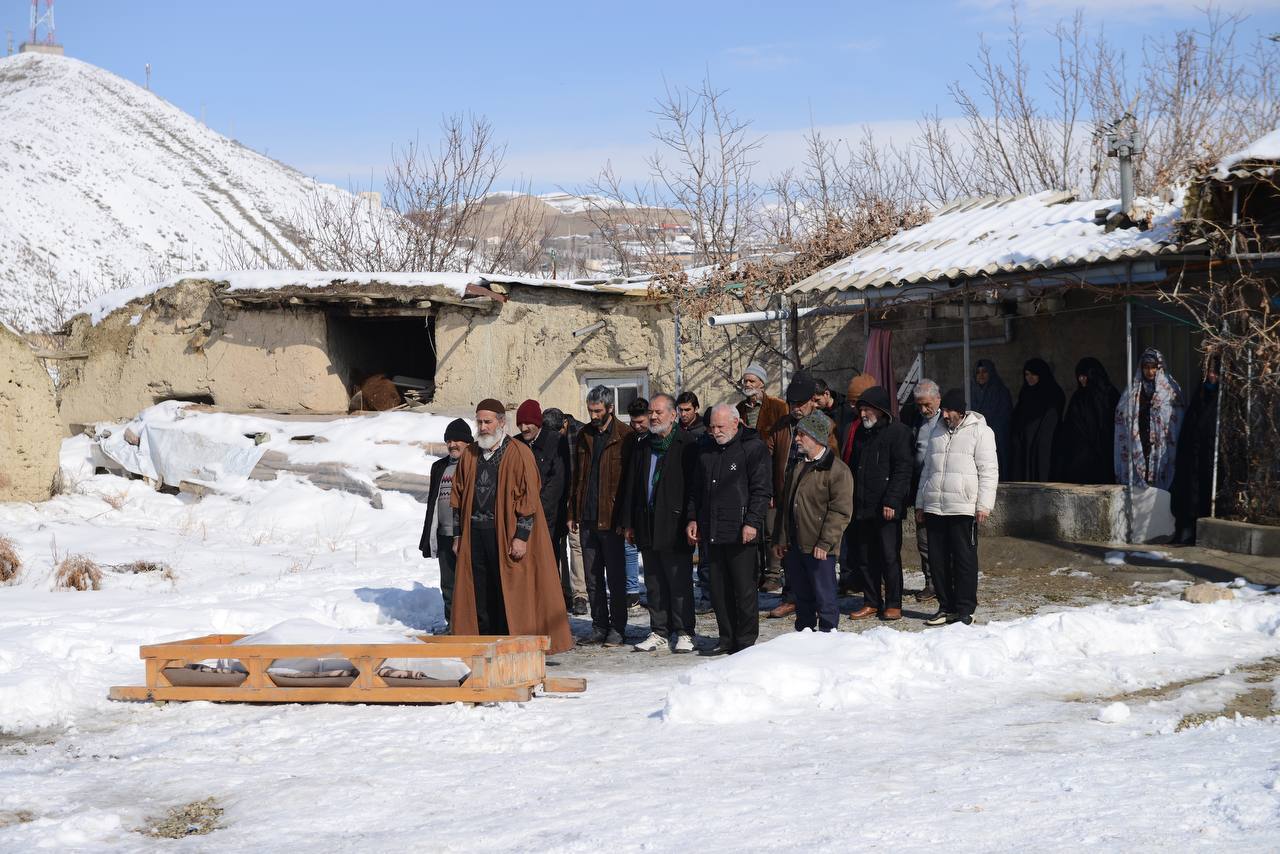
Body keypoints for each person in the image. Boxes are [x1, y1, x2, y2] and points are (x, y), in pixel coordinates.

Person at [448, 400, 573, 653]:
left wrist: (521, 537)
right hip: (475, 535)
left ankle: (511, 647)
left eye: (488, 422)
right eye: (479, 422)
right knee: (480, 594)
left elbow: (529, 500)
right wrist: (458, 534)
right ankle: (486, 646)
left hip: (506, 534)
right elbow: (458, 498)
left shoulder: (518, 452)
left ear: (501, 423)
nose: (483, 427)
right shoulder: (470, 455)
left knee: (508, 591)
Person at [687, 404, 772, 655]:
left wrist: (752, 522)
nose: (715, 431)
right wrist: (693, 519)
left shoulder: (753, 448)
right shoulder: (706, 449)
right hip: (712, 529)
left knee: (743, 590)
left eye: (720, 427)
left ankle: (745, 642)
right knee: (719, 589)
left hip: (741, 530)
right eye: (712, 427)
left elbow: (761, 490)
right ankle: (726, 638)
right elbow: (696, 491)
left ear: (736, 423)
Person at [621, 394, 699, 653]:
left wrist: (692, 518)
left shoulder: (686, 444)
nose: (653, 417)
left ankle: (685, 631)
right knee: (653, 583)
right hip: (647, 523)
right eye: (651, 412)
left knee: (678, 583)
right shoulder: (644, 445)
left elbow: (693, 488)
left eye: (658, 412)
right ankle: (659, 631)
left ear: (673, 415)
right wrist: (629, 523)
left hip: (675, 524)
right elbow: (633, 486)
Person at [915, 389, 999, 627]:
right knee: (938, 560)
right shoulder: (936, 432)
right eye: (944, 410)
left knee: (964, 559)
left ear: (961, 412)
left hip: (963, 506)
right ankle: (946, 606)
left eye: (950, 411)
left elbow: (989, 471)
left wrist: (984, 505)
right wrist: (921, 502)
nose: (945, 415)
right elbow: (927, 471)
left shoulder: (981, 432)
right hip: (935, 506)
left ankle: (965, 608)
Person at [763, 372, 840, 614]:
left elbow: (833, 461)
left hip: (813, 498)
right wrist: (770, 490)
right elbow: (767, 457)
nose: (795, 408)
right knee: (787, 549)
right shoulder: (782, 426)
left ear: (812, 401)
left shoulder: (825, 425)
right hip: (785, 495)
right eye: (791, 404)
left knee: (814, 552)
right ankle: (790, 597)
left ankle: (819, 601)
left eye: (799, 404)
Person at [772, 410, 853, 632]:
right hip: (795, 545)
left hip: (819, 548)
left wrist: (825, 543)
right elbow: (786, 506)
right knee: (803, 598)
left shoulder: (837, 471)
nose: (796, 439)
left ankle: (828, 639)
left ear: (816, 437)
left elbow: (840, 511)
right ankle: (805, 639)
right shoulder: (797, 466)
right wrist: (780, 539)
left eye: (801, 435)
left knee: (825, 599)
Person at [570, 385, 634, 645]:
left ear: (610, 408)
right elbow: (578, 477)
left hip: (612, 520)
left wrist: (625, 519)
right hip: (586, 518)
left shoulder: (625, 435)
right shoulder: (583, 435)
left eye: (598, 411)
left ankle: (617, 627)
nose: (593, 415)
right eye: (590, 411)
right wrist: (572, 511)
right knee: (592, 576)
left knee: (616, 578)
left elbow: (629, 482)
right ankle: (599, 626)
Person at [847, 385, 913, 621]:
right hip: (863, 506)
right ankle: (871, 601)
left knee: (888, 557)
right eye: (861, 410)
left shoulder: (899, 432)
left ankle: (894, 603)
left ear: (880, 410)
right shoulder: (862, 435)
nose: (862, 414)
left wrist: (892, 500)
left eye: (867, 410)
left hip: (886, 508)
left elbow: (903, 469)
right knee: (865, 558)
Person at [418, 418, 473, 631]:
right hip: (443, 533)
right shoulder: (439, 467)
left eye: (457, 440)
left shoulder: (475, 464)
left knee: (468, 583)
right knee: (448, 584)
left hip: (468, 534)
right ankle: (453, 625)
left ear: (468, 442)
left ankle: (472, 625)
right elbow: (433, 502)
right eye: (449, 440)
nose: (452, 445)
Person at [1115, 347, 1184, 490]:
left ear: (1160, 367)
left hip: (1162, 442)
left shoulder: (1170, 390)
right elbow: (1122, 413)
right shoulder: (1133, 390)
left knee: (1162, 478)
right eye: (1146, 367)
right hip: (1140, 439)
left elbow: (1176, 417)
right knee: (1141, 479)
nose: (1150, 371)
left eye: (1153, 367)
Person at [836, 372, 879, 596]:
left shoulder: (874, 426)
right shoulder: (847, 421)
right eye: (851, 402)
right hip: (847, 486)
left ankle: (868, 581)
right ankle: (849, 578)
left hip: (867, 492)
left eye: (857, 402)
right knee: (848, 538)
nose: (854, 407)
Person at [1172, 364, 1220, 543]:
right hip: (1195, 458)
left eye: (1215, 372)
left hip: (1212, 459)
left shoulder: (1224, 401)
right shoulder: (1198, 397)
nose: (1211, 376)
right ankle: (1190, 531)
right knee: (1193, 495)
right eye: (1209, 372)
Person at [1055, 358, 1120, 484]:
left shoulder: (1109, 394)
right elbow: (1070, 425)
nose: (1081, 380)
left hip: (1104, 453)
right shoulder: (1078, 396)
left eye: (1085, 376)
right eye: (1079, 376)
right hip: (1081, 456)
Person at [516, 399, 569, 556]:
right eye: (520, 424)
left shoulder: (556, 441)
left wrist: (535, 510)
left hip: (548, 520)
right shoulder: (516, 443)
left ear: (538, 423)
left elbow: (557, 482)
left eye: (528, 423)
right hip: (521, 520)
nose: (523, 428)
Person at [906, 379, 943, 602]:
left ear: (938, 399)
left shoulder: (948, 419)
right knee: (924, 540)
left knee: (944, 540)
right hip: (920, 487)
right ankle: (930, 583)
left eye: (927, 404)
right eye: (919, 405)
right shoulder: (913, 419)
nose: (923, 409)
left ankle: (946, 582)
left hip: (943, 487)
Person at [1010, 358, 1064, 482]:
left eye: (1034, 374)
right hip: (1025, 444)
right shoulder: (1025, 392)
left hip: (1044, 445)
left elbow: (1051, 422)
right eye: (1027, 374)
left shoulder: (1054, 393)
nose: (1030, 378)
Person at [560, 412, 589, 616]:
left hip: (576, 497)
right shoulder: (548, 435)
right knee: (557, 546)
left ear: (565, 423)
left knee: (576, 544)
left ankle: (580, 593)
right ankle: (562, 592)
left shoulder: (580, 434)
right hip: (556, 497)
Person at [622, 397, 650, 610]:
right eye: (634, 422)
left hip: (649, 502)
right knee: (629, 548)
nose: (637, 426)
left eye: (641, 422)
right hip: (632, 500)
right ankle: (632, 590)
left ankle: (651, 589)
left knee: (649, 552)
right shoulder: (631, 439)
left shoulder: (655, 438)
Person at [972, 359, 1013, 478]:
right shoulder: (971, 391)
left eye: (984, 371)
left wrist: (988, 432)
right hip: (975, 438)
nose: (981, 375)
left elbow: (1004, 417)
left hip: (996, 438)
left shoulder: (1001, 391)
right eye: (978, 372)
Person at [736, 362, 788, 437]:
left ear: (762, 383)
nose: (747, 384)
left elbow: (783, 436)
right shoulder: (740, 407)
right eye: (745, 381)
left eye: (752, 381)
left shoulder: (778, 406)